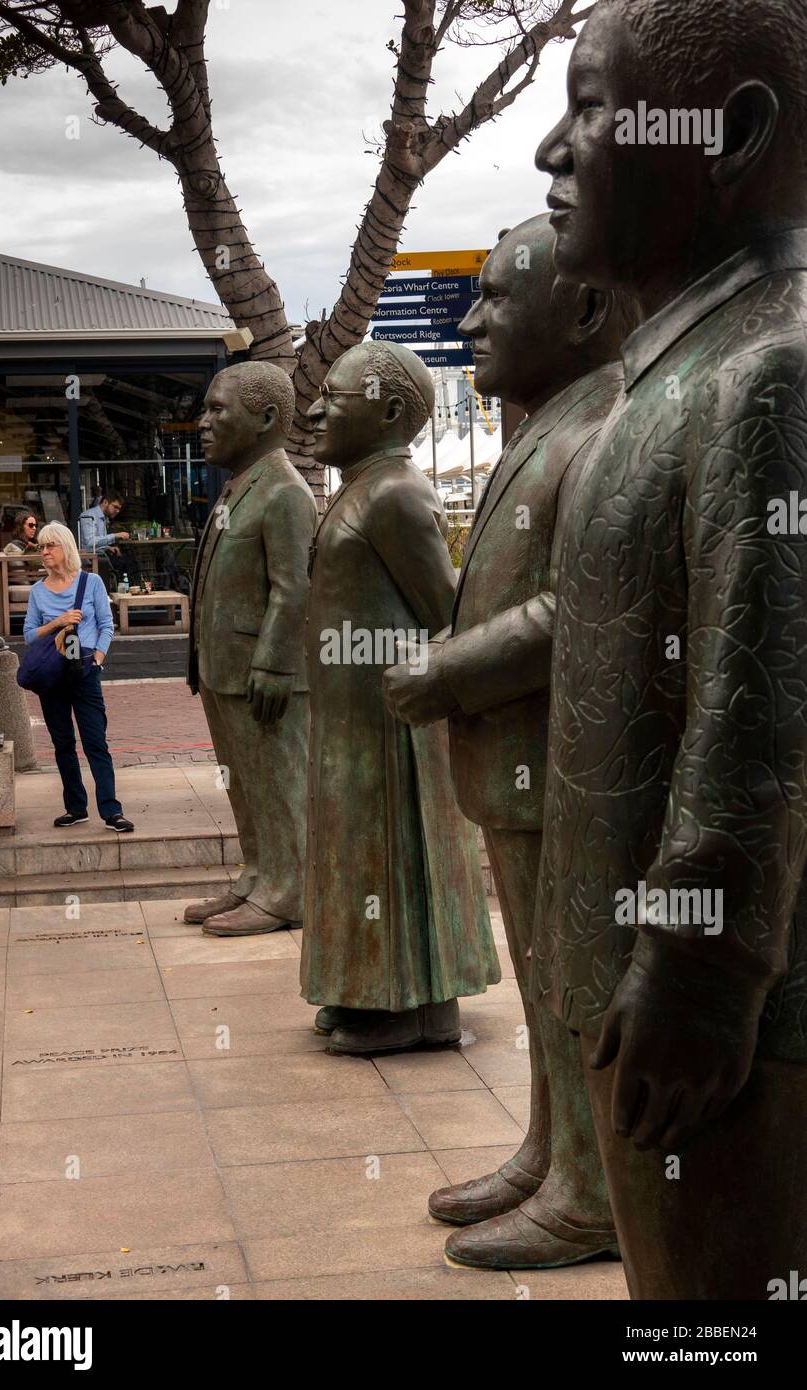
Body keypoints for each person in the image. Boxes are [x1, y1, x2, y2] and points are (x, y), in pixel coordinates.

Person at [531, 0, 807, 1298]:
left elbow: (767, 697)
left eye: (590, 106)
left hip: (719, 1028)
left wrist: (703, 962)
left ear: (730, 132)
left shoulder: (774, 370)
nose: (550, 149)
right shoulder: (679, 370)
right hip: (638, 987)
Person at [385, 214, 639, 1269]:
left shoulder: (593, 434)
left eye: (495, 296)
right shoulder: (547, 423)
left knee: (576, 983)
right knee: (542, 985)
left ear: (581, 309)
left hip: (564, 768)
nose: (471, 318)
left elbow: (564, 611)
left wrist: (444, 671)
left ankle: (590, 1191)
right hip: (516, 768)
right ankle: (550, 1151)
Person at [300, 341, 500, 1055]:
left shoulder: (396, 493)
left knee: (390, 853)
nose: (316, 407)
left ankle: (420, 1007)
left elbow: (447, 611)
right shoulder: (358, 484)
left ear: (387, 413)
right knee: (355, 853)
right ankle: (365, 990)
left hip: (392, 725)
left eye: (335, 397)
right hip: (353, 718)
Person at [183, 363, 317, 936]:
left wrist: (274, 660)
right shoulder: (240, 487)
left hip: (264, 672)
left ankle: (289, 891)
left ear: (264, 419)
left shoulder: (285, 492)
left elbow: (294, 587)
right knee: (241, 779)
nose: (203, 422)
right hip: (224, 669)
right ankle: (258, 873)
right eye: (205, 409)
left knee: (278, 782)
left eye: (218, 410)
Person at [24, 522, 133, 833]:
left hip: (85, 672)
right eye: (41, 547)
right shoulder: (37, 592)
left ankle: (112, 811)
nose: (43, 552)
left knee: (96, 742)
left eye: (50, 546)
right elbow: (30, 635)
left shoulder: (91, 582)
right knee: (63, 744)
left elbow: (106, 626)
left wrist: (97, 660)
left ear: (65, 548)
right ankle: (76, 807)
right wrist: (57, 622)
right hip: (52, 676)